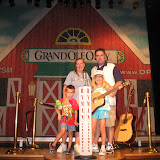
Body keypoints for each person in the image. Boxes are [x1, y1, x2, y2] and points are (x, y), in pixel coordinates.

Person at [91, 48, 124, 154]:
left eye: (101, 55)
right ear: (95, 57)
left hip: (109, 102)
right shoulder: (92, 70)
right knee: (96, 127)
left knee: (109, 124)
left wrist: (112, 90)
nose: (99, 57)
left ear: (105, 56)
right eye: (97, 55)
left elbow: (119, 81)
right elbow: (92, 85)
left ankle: (109, 145)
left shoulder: (112, 67)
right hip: (96, 104)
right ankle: (95, 145)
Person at [57, 58, 91, 153]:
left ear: (84, 64)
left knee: (78, 126)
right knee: (67, 125)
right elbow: (65, 87)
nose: (79, 65)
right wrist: (65, 101)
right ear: (75, 65)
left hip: (81, 105)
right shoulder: (71, 74)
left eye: (81, 63)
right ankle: (63, 144)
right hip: (70, 104)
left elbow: (90, 88)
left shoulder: (86, 75)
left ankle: (76, 144)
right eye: (77, 64)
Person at [92, 70, 117, 155]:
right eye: (97, 77)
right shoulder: (92, 87)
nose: (98, 78)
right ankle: (93, 145)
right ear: (94, 78)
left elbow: (112, 93)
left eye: (100, 76)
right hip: (95, 110)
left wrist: (117, 88)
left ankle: (103, 147)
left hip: (103, 109)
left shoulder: (105, 86)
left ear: (103, 78)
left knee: (102, 128)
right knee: (93, 128)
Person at [49, 85, 79, 155]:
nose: (69, 94)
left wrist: (75, 121)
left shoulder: (74, 102)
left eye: (71, 92)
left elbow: (75, 111)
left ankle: (69, 148)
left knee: (71, 133)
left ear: (73, 93)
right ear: (65, 92)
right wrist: (59, 114)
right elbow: (56, 107)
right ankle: (53, 144)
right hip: (64, 119)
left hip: (71, 120)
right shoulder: (62, 100)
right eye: (68, 92)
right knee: (62, 131)